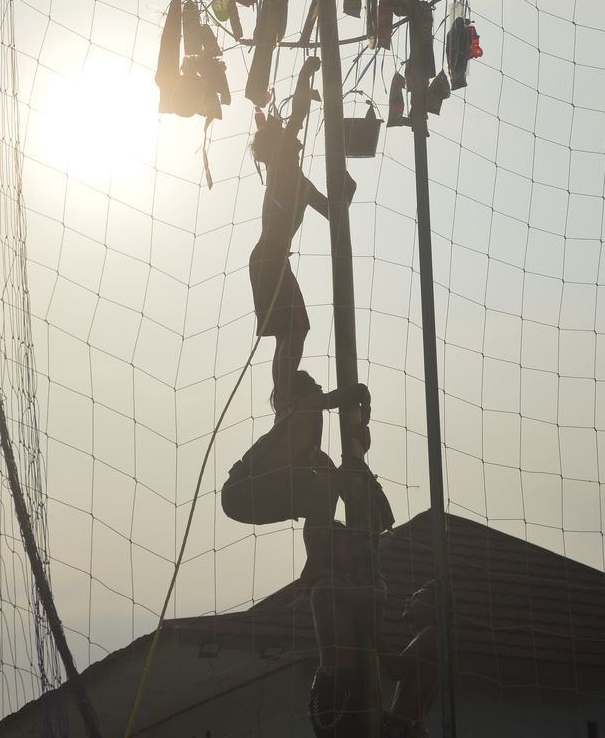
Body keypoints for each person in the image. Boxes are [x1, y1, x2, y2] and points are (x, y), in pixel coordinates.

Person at [249, 56, 355, 411]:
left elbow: (333, 214)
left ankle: (284, 395)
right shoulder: (281, 167)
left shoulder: (301, 182)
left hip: (273, 259)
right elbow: (296, 117)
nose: (298, 144)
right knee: (293, 330)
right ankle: (283, 398)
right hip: (268, 258)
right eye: (291, 141)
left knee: (294, 330)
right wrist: (305, 76)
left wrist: (347, 192)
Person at [220, 371, 370, 573]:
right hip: (244, 489)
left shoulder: (306, 447)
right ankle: (314, 567)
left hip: (241, 496)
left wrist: (358, 501)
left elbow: (334, 479)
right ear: (305, 392)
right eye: (314, 384)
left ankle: (314, 566)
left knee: (320, 504)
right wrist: (364, 410)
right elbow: (351, 393)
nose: (320, 387)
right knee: (325, 486)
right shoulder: (305, 406)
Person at [308, 530, 438, 738]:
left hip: (403, 728)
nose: (409, 599)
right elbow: (376, 595)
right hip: (336, 685)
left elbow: (396, 669)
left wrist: (372, 631)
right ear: (328, 551)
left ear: (435, 610)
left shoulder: (433, 634)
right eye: (346, 547)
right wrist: (372, 567)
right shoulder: (328, 585)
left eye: (418, 596)